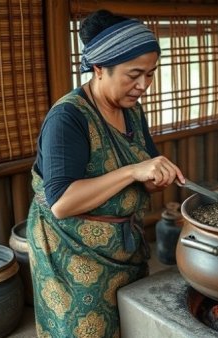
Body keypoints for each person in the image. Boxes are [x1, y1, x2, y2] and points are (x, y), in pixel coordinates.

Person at [26, 9, 185, 337]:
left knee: (130, 323)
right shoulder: (68, 118)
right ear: (99, 68)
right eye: (134, 74)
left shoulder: (131, 109)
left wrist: (156, 176)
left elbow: (144, 166)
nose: (144, 85)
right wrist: (132, 172)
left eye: (151, 74)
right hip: (73, 254)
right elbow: (62, 202)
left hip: (125, 248)